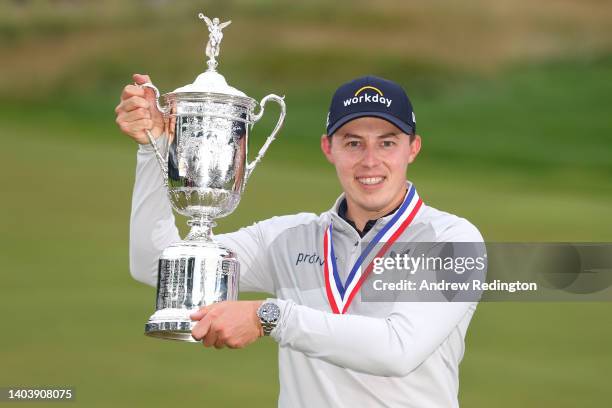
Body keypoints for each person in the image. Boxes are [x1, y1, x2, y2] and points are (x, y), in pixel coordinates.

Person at [115, 74, 484, 407]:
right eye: (353, 143)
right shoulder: (289, 239)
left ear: (413, 148)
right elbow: (156, 265)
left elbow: (399, 349)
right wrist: (154, 148)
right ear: (329, 148)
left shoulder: (454, 240)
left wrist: (269, 317)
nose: (370, 161)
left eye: (387, 143)